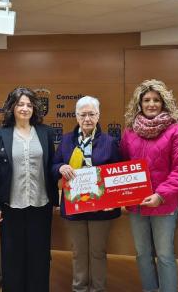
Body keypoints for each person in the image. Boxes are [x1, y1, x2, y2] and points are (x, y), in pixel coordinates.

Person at [119, 79, 178, 292]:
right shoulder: (129, 131)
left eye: (156, 100)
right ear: (139, 104)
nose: (151, 104)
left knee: (165, 255)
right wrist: (121, 193)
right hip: (137, 205)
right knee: (142, 254)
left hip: (164, 204)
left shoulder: (175, 130)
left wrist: (160, 195)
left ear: (163, 103)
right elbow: (123, 165)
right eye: (146, 100)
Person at [0, 87, 58, 292]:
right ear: (12, 107)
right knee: (12, 255)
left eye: (29, 104)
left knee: (39, 255)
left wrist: (57, 199)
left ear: (35, 108)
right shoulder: (0, 134)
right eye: (20, 104)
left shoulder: (46, 133)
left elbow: (52, 166)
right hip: (10, 206)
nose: (25, 108)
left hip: (41, 205)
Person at [53, 96, 121, 292]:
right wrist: (61, 167)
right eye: (83, 114)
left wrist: (114, 199)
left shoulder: (110, 142)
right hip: (74, 206)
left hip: (101, 208)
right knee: (78, 252)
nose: (87, 119)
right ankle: (79, 288)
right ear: (76, 116)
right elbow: (53, 166)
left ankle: (98, 289)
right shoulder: (66, 140)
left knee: (97, 252)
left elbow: (118, 172)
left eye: (92, 114)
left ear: (99, 115)